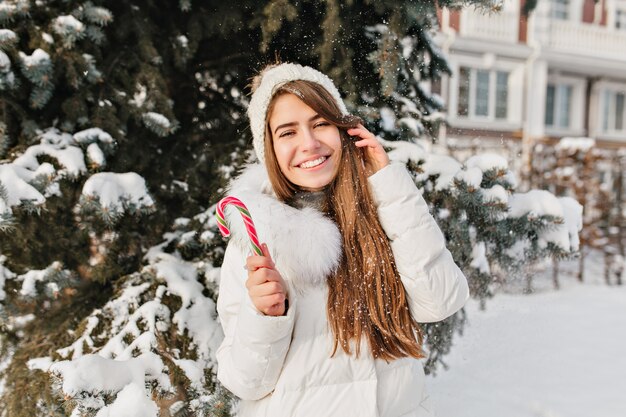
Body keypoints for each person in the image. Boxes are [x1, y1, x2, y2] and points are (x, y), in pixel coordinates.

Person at [215, 62, 469, 417]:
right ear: (269, 148)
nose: (309, 143)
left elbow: (440, 300)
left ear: (343, 129)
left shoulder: (385, 210)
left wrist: (388, 183)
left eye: (321, 123)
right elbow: (245, 382)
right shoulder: (258, 242)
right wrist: (264, 315)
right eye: (287, 133)